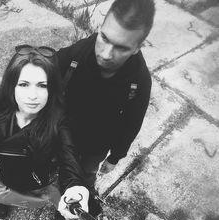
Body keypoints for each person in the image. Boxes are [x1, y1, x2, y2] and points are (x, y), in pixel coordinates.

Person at [0, 44, 94, 220]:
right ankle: (3, 201)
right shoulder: (1, 107)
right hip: (0, 171)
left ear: (51, 89)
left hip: (36, 181)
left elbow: (69, 157)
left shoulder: (58, 123)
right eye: (24, 84)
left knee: (57, 198)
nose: (33, 96)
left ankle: (61, 213)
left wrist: (75, 187)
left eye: (42, 85)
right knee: (4, 191)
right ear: (11, 86)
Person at [56, 0, 156, 189]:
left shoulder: (140, 81)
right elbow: (49, 65)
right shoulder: (81, 51)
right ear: (100, 28)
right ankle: (60, 202)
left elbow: (132, 122)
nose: (106, 54)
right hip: (64, 133)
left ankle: (78, 201)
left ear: (137, 47)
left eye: (122, 47)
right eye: (104, 38)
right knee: (62, 169)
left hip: (96, 147)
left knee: (85, 177)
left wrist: (116, 156)